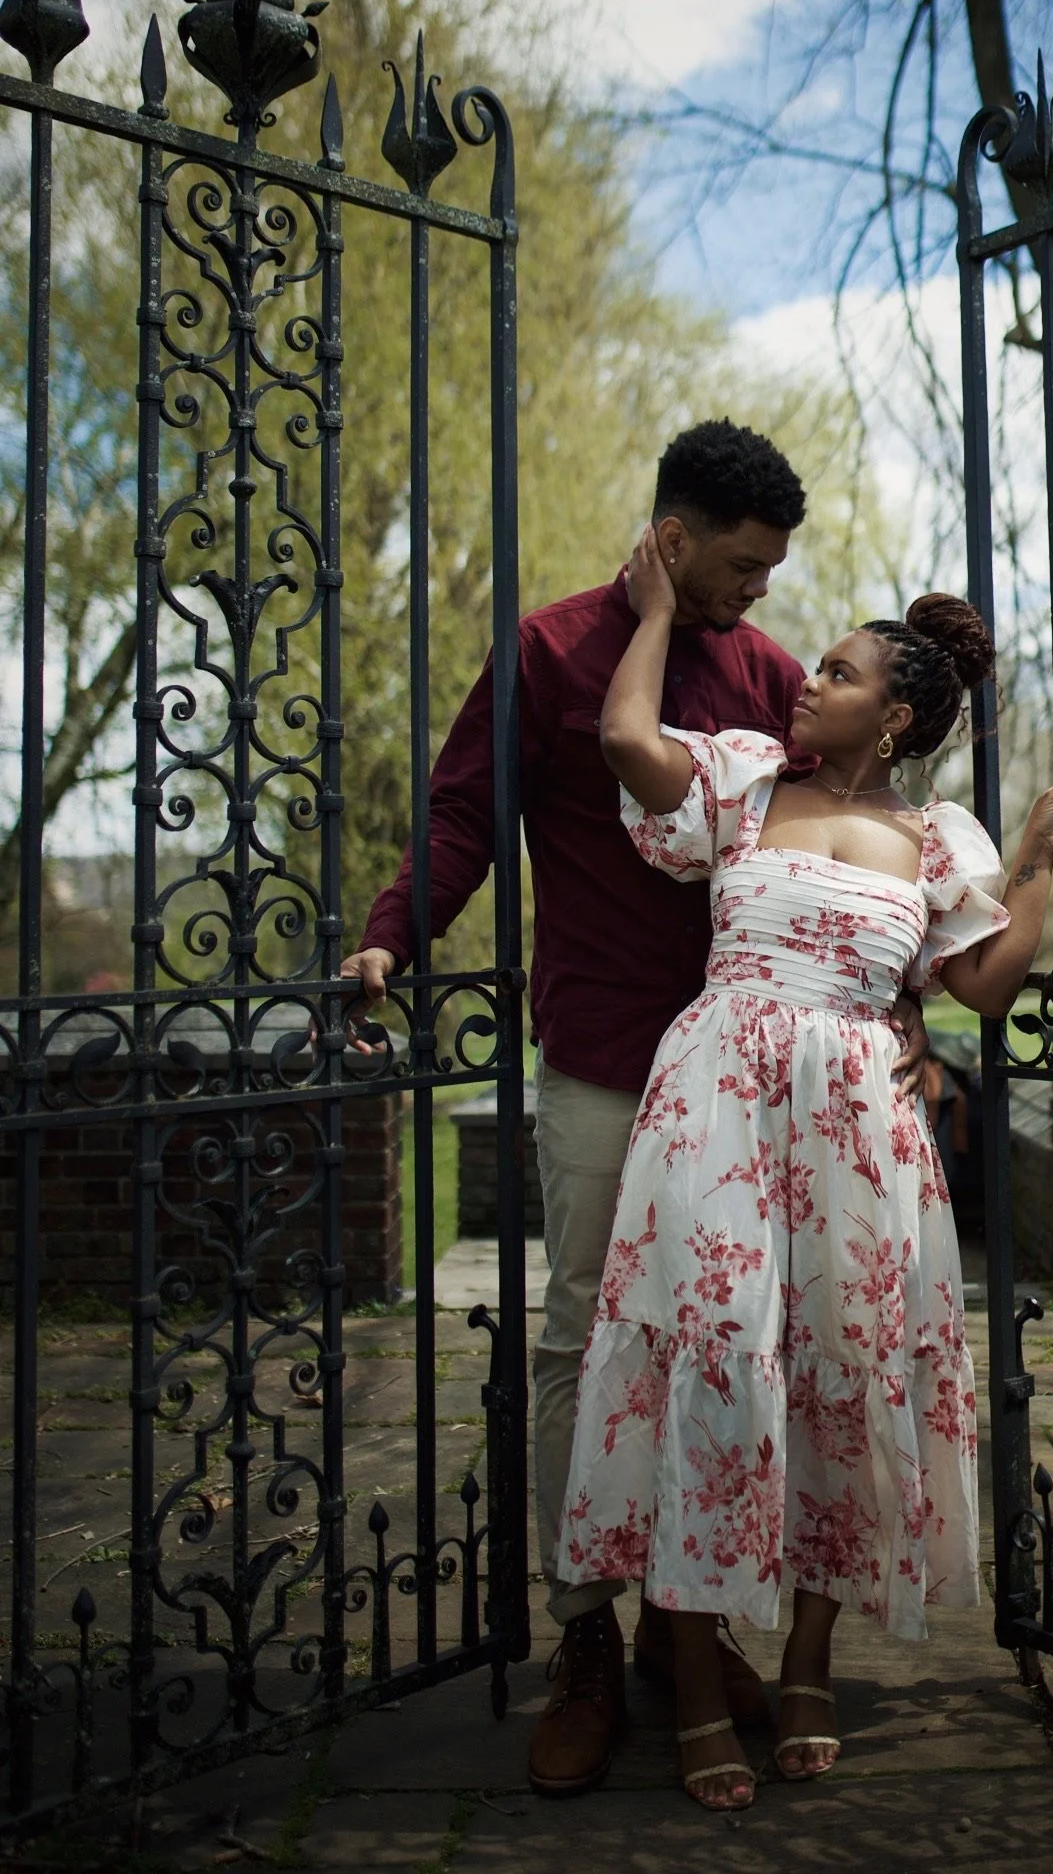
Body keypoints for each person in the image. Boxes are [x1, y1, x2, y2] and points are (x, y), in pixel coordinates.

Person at [340, 420, 932, 1797]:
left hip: (762, 1092)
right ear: (672, 540)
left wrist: (893, 995)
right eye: (741, 564)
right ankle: (588, 1636)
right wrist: (393, 932)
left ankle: (697, 1621)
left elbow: (856, 840)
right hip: (614, 1060)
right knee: (589, 1342)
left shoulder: (778, 678)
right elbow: (461, 820)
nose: (762, 593)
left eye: (775, 570)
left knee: (738, 1350)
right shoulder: (552, 652)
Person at [557, 528, 1053, 1811]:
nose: (808, 683)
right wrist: (644, 616)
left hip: (860, 1125)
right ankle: (689, 1687)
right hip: (718, 1104)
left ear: (896, 714)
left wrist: (1033, 872)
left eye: (839, 675)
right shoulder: (743, 779)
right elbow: (629, 747)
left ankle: (805, 1663)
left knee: (839, 1381)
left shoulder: (938, 836)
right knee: (712, 1363)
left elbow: (975, 984)